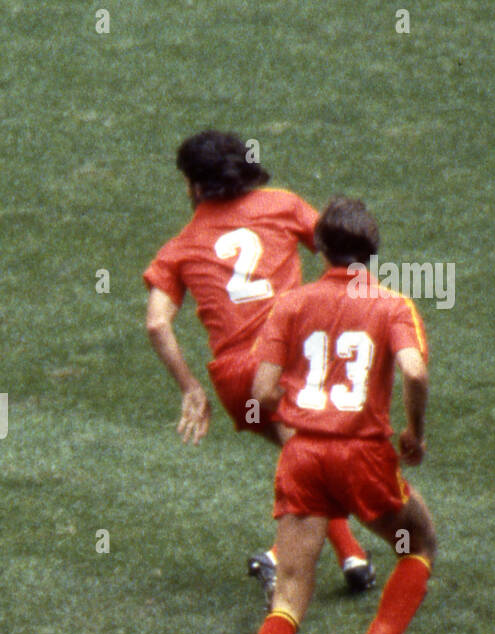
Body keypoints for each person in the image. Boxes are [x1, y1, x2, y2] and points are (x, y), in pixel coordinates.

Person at [234, 197, 436, 634]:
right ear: (373, 251)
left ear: (318, 247)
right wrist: (413, 433)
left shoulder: (291, 303)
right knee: (417, 544)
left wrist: (297, 413)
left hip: (303, 457)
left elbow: (264, 392)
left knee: (289, 596)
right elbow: (415, 370)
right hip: (364, 457)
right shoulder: (392, 304)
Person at [143, 130, 374, 598]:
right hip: (291, 359)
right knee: (321, 463)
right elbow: (339, 252)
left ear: (194, 186)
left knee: (301, 458)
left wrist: (190, 388)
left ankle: (352, 557)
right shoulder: (282, 205)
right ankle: (277, 556)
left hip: (236, 380)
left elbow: (155, 324)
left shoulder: (180, 247)